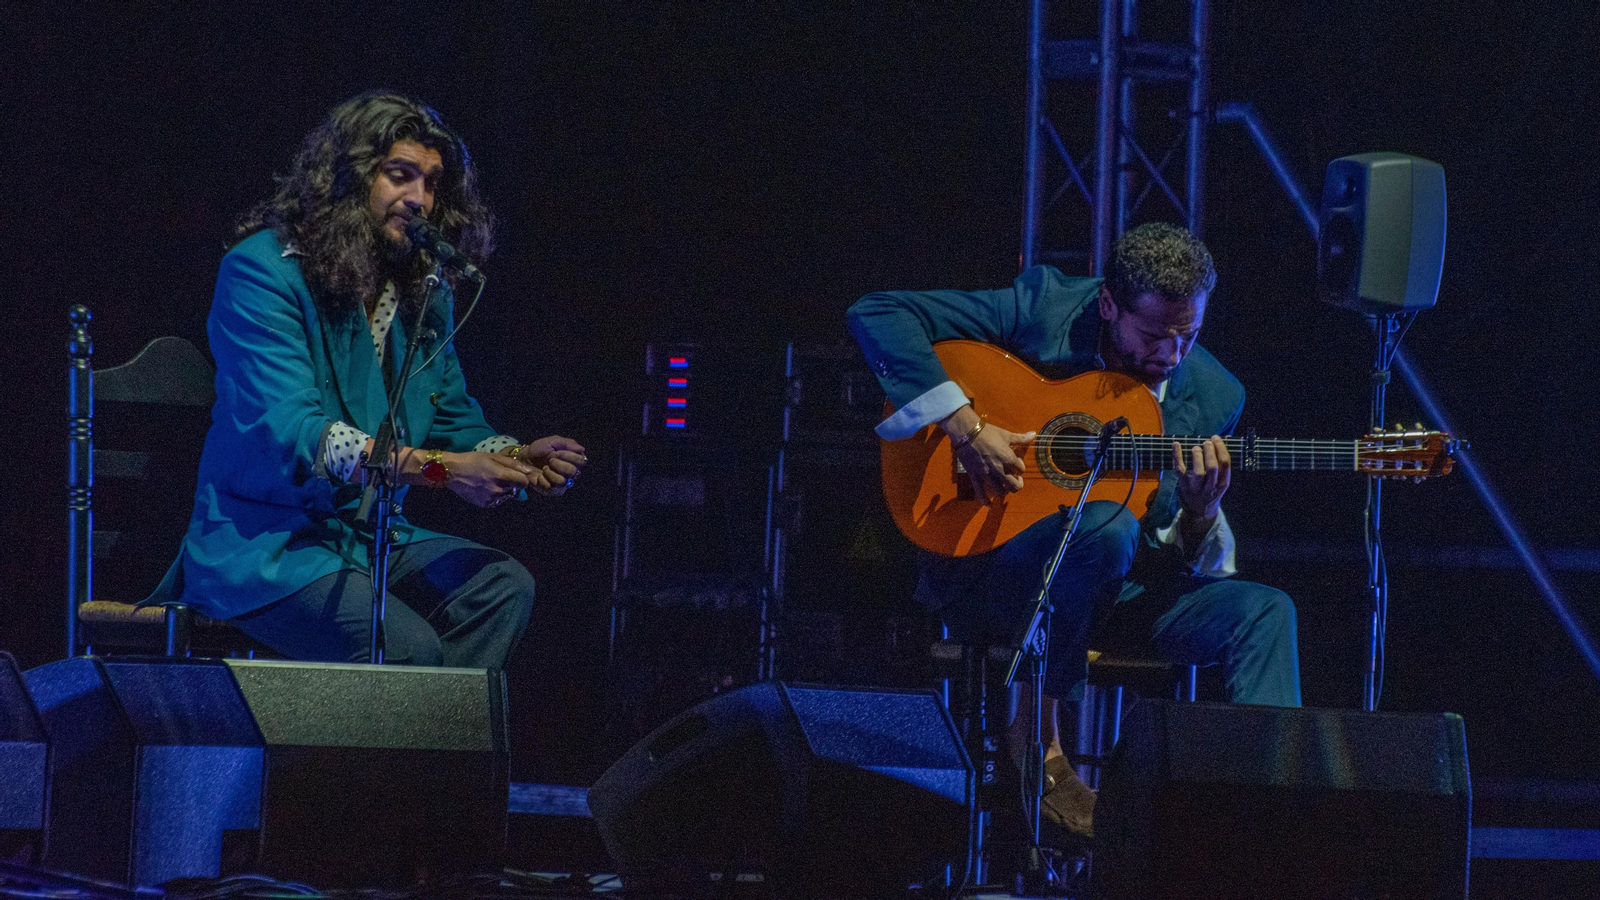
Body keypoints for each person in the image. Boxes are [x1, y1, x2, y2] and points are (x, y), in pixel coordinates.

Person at [847, 222, 1299, 837]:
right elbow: (879, 312)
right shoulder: (1045, 310)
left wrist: (1199, 512)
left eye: (1187, 336)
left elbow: (1170, 547)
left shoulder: (1216, 396)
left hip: (1116, 589)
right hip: (998, 570)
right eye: (1153, 335)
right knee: (1105, 529)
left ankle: (1267, 815)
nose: (1170, 356)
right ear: (1109, 305)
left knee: (1266, 611)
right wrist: (965, 426)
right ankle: (1037, 737)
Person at [155, 91, 586, 669]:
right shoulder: (262, 271)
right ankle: (395, 756)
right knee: (407, 647)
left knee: (501, 588)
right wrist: (443, 470)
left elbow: (453, 417)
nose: (419, 200)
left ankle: (421, 756)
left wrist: (514, 457)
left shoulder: (420, 293)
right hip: (268, 546)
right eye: (400, 176)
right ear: (348, 179)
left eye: (431, 183)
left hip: (366, 541)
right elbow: (294, 431)